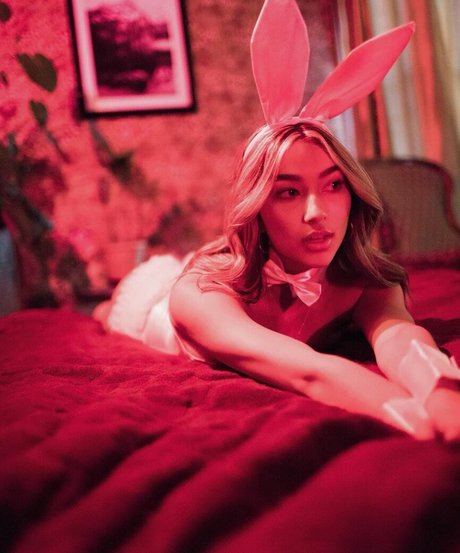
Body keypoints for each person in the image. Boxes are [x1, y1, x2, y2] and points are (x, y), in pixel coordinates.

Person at [96, 0, 460, 440]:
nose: (317, 212)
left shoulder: (365, 282)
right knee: (105, 310)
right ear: (257, 206)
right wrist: (417, 424)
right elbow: (309, 372)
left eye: (333, 185)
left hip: (228, 264)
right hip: (152, 297)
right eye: (288, 192)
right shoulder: (200, 295)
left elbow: (401, 339)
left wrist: (445, 399)